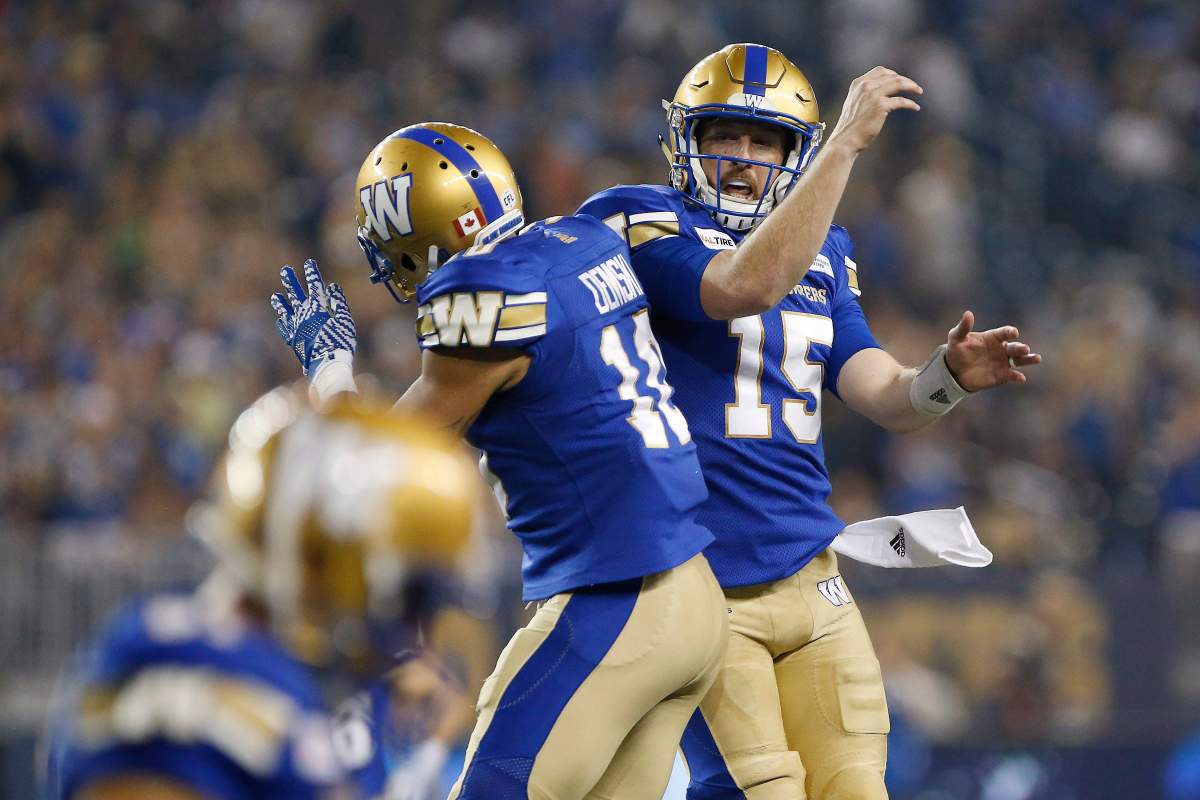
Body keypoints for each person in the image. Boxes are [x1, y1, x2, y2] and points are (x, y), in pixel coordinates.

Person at [577, 43, 1042, 799]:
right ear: (684, 141)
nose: (740, 157)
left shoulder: (826, 251)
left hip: (810, 572)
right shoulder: (637, 218)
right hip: (696, 582)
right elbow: (743, 283)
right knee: (762, 790)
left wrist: (947, 377)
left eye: (765, 141)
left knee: (857, 787)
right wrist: (847, 144)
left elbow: (883, 392)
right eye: (723, 134)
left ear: (792, 155)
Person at [270, 122, 728, 799]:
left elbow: (378, 472)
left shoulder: (484, 296)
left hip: (614, 600)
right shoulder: (583, 240)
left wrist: (331, 372)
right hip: (694, 597)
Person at [45, 386, 481, 800]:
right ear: (320, 563)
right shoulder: (183, 668)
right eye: (410, 600)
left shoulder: (317, 687)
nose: (419, 633)